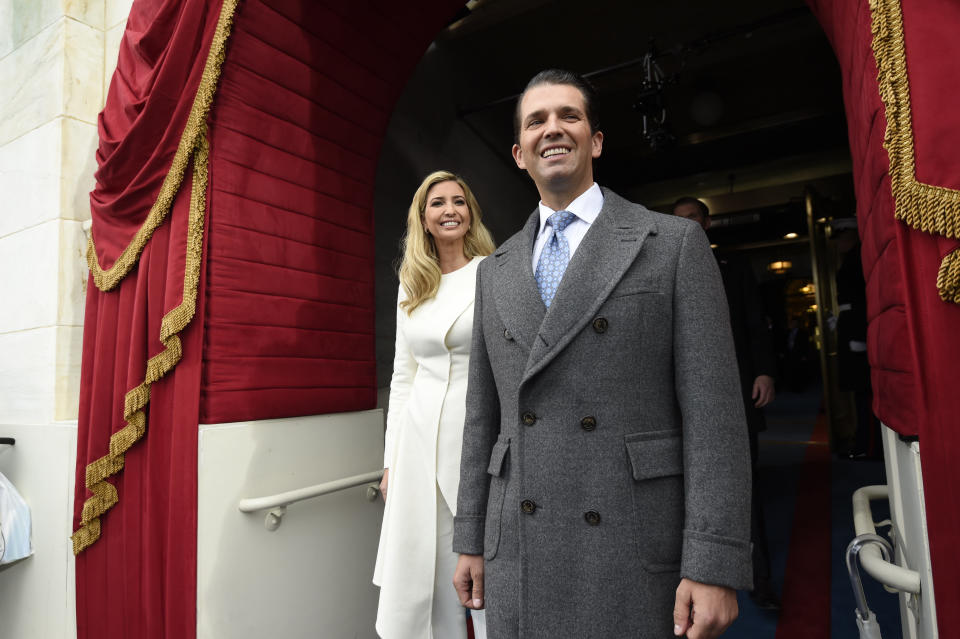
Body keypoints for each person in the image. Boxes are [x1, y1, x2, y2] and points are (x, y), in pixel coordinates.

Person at [452, 69, 752, 639]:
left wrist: (713, 561)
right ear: (518, 153)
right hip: (518, 541)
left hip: (629, 541)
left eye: (569, 115)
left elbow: (714, 417)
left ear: (596, 140)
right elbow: (481, 420)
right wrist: (470, 537)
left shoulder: (671, 244)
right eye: (536, 121)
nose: (552, 129)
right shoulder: (495, 271)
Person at [373, 170, 495, 639]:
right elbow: (403, 375)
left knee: (482, 570)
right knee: (421, 571)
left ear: (470, 214)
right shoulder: (411, 282)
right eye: (438, 203)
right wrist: (391, 462)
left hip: (474, 436)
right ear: (423, 218)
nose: (449, 210)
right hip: (419, 444)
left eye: (458, 202)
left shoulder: (492, 270)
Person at [672, 196, 781, 611]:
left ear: (707, 222)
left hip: (734, 396)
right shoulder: (660, 262)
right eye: (679, 220)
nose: (687, 226)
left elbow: (755, 321)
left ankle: (761, 581)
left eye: (693, 219)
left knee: (743, 492)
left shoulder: (733, 269)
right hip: (679, 405)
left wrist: (765, 372)